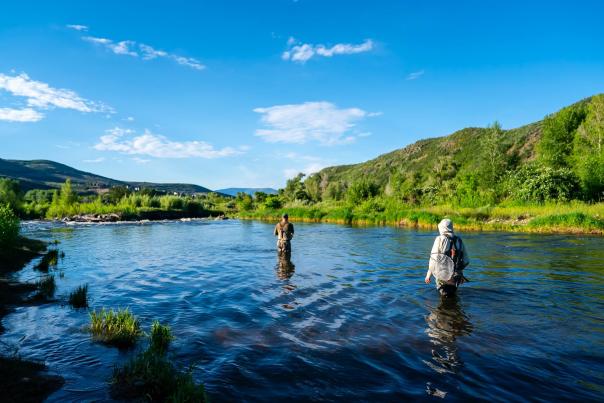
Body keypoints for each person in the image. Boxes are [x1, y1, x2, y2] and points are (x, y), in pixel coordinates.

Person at [425, 219, 469, 297]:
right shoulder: (459, 240)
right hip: (456, 276)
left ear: (442, 228)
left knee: (444, 297)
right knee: (453, 297)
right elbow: (466, 260)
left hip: (443, 275)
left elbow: (433, 259)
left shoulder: (439, 239)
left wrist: (428, 275)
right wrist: (460, 274)